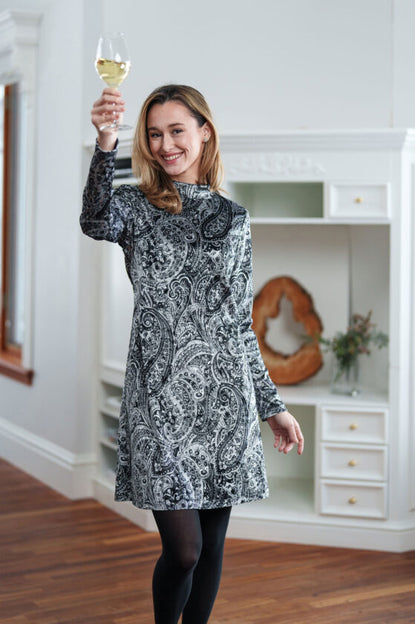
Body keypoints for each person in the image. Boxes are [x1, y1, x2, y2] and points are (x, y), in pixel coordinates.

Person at [80, 84, 304, 624]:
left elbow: (240, 325)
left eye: (176, 130)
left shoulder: (235, 218)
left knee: (212, 547)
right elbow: (93, 220)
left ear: (204, 131)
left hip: (223, 401)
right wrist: (106, 142)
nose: (164, 145)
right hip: (158, 399)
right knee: (184, 551)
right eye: (154, 134)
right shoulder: (134, 204)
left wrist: (271, 406)